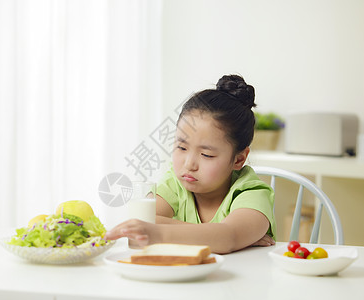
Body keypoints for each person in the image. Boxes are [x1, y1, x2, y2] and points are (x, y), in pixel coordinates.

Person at [105, 74, 276, 254]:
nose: (189, 164)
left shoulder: (252, 193)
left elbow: (228, 236)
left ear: (239, 159)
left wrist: (227, 237)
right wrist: (219, 236)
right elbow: (142, 219)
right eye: (181, 147)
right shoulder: (176, 183)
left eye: (206, 155)